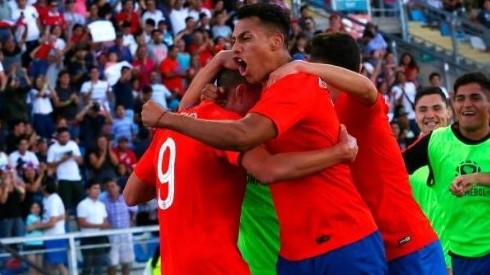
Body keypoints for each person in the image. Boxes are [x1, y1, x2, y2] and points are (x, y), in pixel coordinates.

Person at [141, 3, 384, 274]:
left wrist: (165, 118)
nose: (236, 49)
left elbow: (241, 136)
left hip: (339, 243)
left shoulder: (296, 83)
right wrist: (219, 62)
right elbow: (194, 118)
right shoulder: (262, 98)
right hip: (293, 254)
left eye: (245, 39)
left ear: (276, 41)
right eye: (233, 41)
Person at [236, 32, 445, 275]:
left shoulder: (355, 101)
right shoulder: (301, 109)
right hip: (352, 247)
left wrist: (304, 68)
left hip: (403, 243)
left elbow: (366, 88)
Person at [126, 68, 360, 274]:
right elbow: (267, 169)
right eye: (260, 96)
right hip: (220, 266)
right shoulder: (228, 128)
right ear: (240, 93)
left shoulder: (174, 124)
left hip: (175, 267)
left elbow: (132, 195)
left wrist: (217, 61)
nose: (264, 106)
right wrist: (339, 153)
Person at [403, 72, 490, 275]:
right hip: (459, 254)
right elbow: (392, 168)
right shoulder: (436, 142)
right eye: (460, 99)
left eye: (475, 97)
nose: (467, 104)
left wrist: (477, 178)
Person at [409, 86, 453, 271]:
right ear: (416, 115)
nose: (430, 115)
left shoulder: (469, 150)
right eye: (423, 109)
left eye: (437, 108)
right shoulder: (405, 160)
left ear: (449, 111)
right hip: (429, 260)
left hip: (471, 254)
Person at [101, 179, 137, 275]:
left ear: (118, 187)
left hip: (125, 232)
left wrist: (132, 222)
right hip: (111, 235)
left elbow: (134, 211)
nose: (110, 189)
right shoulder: (103, 200)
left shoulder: (125, 198)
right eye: (108, 186)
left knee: (126, 261)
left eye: (113, 186)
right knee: (112, 262)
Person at [76, 180, 110, 275]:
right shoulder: (82, 204)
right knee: (88, 265)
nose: (97, 190)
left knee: (98, 266)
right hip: (87, 238)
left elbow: (105, 220)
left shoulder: (101, 205)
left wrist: (104, 226)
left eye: (98, 188)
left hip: (100, 237)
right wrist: (100, 225)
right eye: (94, 188)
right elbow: (81, 223)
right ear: (87, 190)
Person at [24, 201, 44, 275]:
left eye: (37, 207)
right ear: (30, 209)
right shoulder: (30, 217)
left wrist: (33, 227)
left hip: (40, 244)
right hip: (31, 244)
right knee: (33, 267)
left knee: (39, 267)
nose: (36, 209)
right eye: (33, 207)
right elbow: (40, 224)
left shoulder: (40, 217)